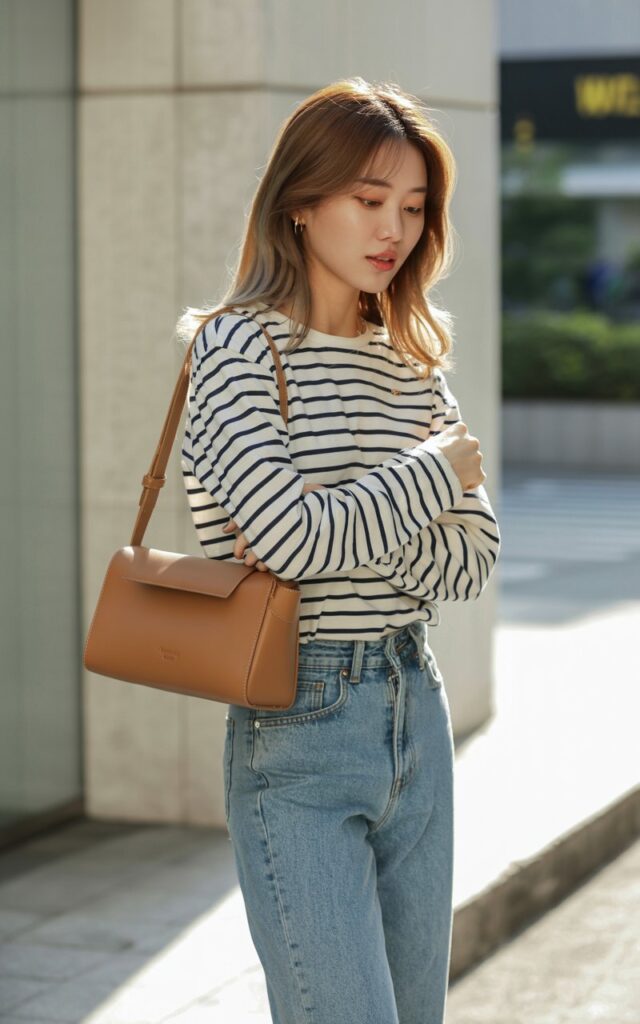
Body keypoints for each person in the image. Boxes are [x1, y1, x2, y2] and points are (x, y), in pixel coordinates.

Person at [177, 76, 501, 1024]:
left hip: (416, 708)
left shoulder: (413, 359)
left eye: (411, 206)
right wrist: (431, 477)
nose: (392, 228)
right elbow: (283, 539)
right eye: (368, 200)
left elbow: (473, 562)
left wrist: (337, 525)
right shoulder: (234, 350)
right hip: (298, 724)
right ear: (301, 202)